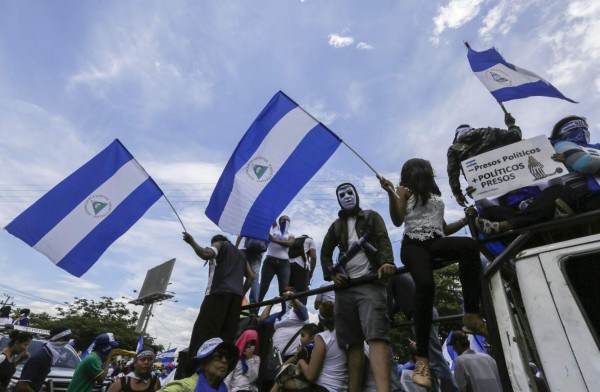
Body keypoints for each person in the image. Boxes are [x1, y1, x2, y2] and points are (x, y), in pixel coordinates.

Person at [380, 159, 485, 388]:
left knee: (469, 246)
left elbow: (443, 229)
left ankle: (472, 315)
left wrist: (466, 219)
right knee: (426, 285)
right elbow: (398, 221)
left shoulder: (435, 197)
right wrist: (390, 193)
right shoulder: (403, 190)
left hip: (436, 243)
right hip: (413, 246)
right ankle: (422, 361)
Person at [321, 182, 396, 392]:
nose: (346, 197)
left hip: (369, 280)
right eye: (341, 194)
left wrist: (387, 262)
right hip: (345, 287)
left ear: (356, 195)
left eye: (349, 192)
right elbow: (325, 252)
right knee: (352, 342)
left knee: (376, 335)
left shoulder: (372, 217)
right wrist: (332, 273)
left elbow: (382, 240)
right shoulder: (336, 226)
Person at [177, 233, 253, 379]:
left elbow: (206, 253)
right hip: (235, 300)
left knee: (202, 337)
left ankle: (192, 376)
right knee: (224, 340)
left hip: (217, 295)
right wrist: (239, 295)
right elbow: (250, 277)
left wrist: (192, 241)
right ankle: (216, 377)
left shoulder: (220, 245)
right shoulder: (242, 255)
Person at [387, 274, 458, 392]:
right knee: (429, 358)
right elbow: (397, 305)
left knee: (434, 357)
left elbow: (387, 300)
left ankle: (452, 389)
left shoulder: (390, 276)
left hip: (421, 315)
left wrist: (388, 317)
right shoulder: (400, 280)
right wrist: (391, 315)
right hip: (424, 313)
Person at [447, 113, 521, 206]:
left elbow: (452, 172)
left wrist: (457, 193)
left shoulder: (454, 148)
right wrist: (511, 125)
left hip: (484, 190)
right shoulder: (489, 131)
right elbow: (515, 137)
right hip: (511, 178)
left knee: (491, 210)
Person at [550, 115, 600, 212]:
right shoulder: (561, 145)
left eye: (585, 128)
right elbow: (586, 164)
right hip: (587, 194)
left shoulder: (596, 146)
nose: (582, 131)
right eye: (576, 129)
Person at [296, 302, 348, 392]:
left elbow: (310, 376)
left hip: (324, 388)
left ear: (320, 318)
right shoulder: (349, 336)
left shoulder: (323, 337)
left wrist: (300, 360)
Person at [161, 338, 238, 392]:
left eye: (227, 358)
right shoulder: (183, 388)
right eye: (217, 356)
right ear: (203, 362)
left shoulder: (224, 389)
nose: (224, 361)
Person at [15, 326, 74, 392]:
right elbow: (22, 385)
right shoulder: (41, 357)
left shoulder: (49, 355)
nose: (67, 342)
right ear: (59, 338)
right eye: (66, 339)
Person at [269, 323, 319, 392]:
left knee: (278, 382)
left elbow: (294, 359)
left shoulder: (305, 349)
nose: (301, 339)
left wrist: (282, 366)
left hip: (301, 382)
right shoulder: (316, 349)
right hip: (309, 382)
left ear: (312, 338)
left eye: (303, 336)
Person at [259, 216, 296, 302]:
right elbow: (272, 214)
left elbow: (289, 243)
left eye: (288, 220)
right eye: (284, 219)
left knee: (284, 290)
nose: (285, 221)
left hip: (284, 264)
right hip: (270, 261)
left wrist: (274, 240)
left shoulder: (290, 235)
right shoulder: (274, 229)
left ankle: (284, 312)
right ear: (279, 221)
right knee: (263, 287)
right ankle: (254, 311)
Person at [236, 236, 268, 309]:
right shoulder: (268, 226)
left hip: (243, 249)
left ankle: (236, 299)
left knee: (238, 275)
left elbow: (241, 235)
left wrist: (236, 248)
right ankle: (254, 306)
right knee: (255, 278)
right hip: (258, 252)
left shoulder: (249, 224)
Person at [287, 234, 317, 304]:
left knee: (289, 292)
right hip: (301, 267)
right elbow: (314, 258)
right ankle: (300, 313)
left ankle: (287, 312)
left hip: (288, 268)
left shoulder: (292, 241)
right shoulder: (310, 240)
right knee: (302, 293)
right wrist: (311, 273)